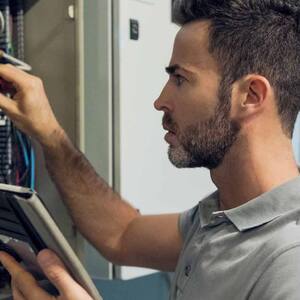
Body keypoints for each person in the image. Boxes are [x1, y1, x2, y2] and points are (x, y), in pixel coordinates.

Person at [1, 0, 300, 299]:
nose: (160, 100)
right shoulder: (220, 216)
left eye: (180, 78)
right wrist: (49, 133)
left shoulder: (289, 263)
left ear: (251, 95)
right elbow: (121, 234)